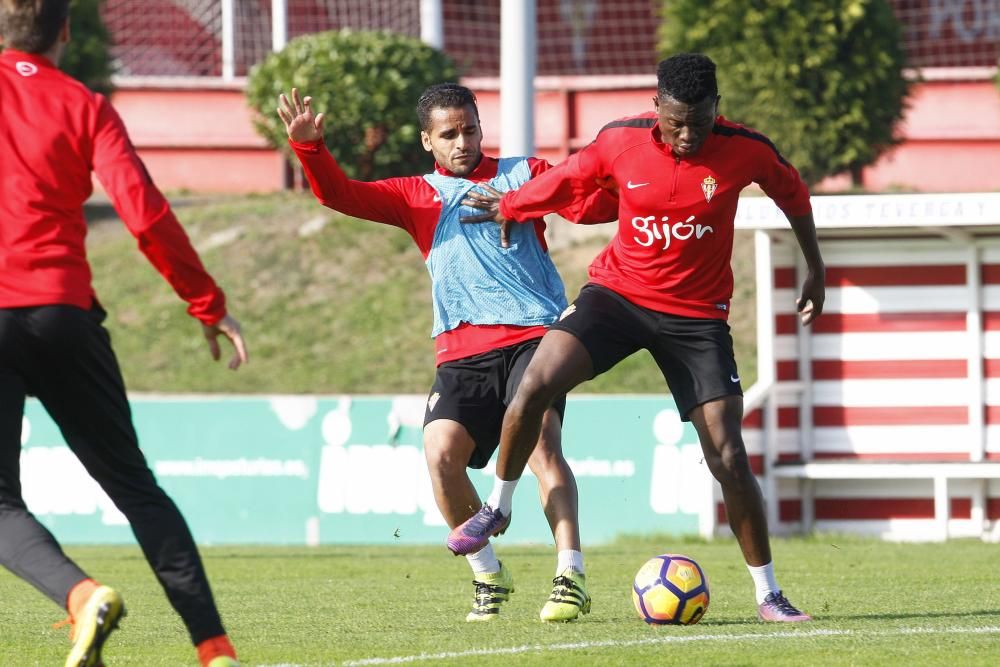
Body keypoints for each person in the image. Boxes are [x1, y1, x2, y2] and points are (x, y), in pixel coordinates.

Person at [454, 53, 825, 622]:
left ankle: (768, 593)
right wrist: (510, 203)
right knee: (533, 384)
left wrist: (815, 268)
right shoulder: (621, 141)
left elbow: (793, 194)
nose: (687, 134)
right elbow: (568, 179)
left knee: (728, 454)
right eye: (676, 122)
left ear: (715, 108)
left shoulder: (746, 148)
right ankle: (497, 508)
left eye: (699, 121)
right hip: (618, 297)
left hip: (698, 317)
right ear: (657, 109)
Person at [278, 83, 617, 622]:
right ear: (427, 141)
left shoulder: (525, 173)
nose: (463, 142)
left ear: (482, 128)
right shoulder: (416, 194)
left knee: (542, 448)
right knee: (440, 454)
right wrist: (311, 150)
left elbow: (588, 204)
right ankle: (488, 573)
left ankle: (569, 574)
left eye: (471, 130)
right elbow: (339, 195)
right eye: (449, 134)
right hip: (460, 351)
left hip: (535, 337)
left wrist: (621, 178)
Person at [0, 1, 247, 665]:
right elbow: (144, 213)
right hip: (64, 311)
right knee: (135, 486)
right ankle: (214, 647)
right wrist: (207, 301)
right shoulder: (84, 103)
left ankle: (82, 596)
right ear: (67, 30)